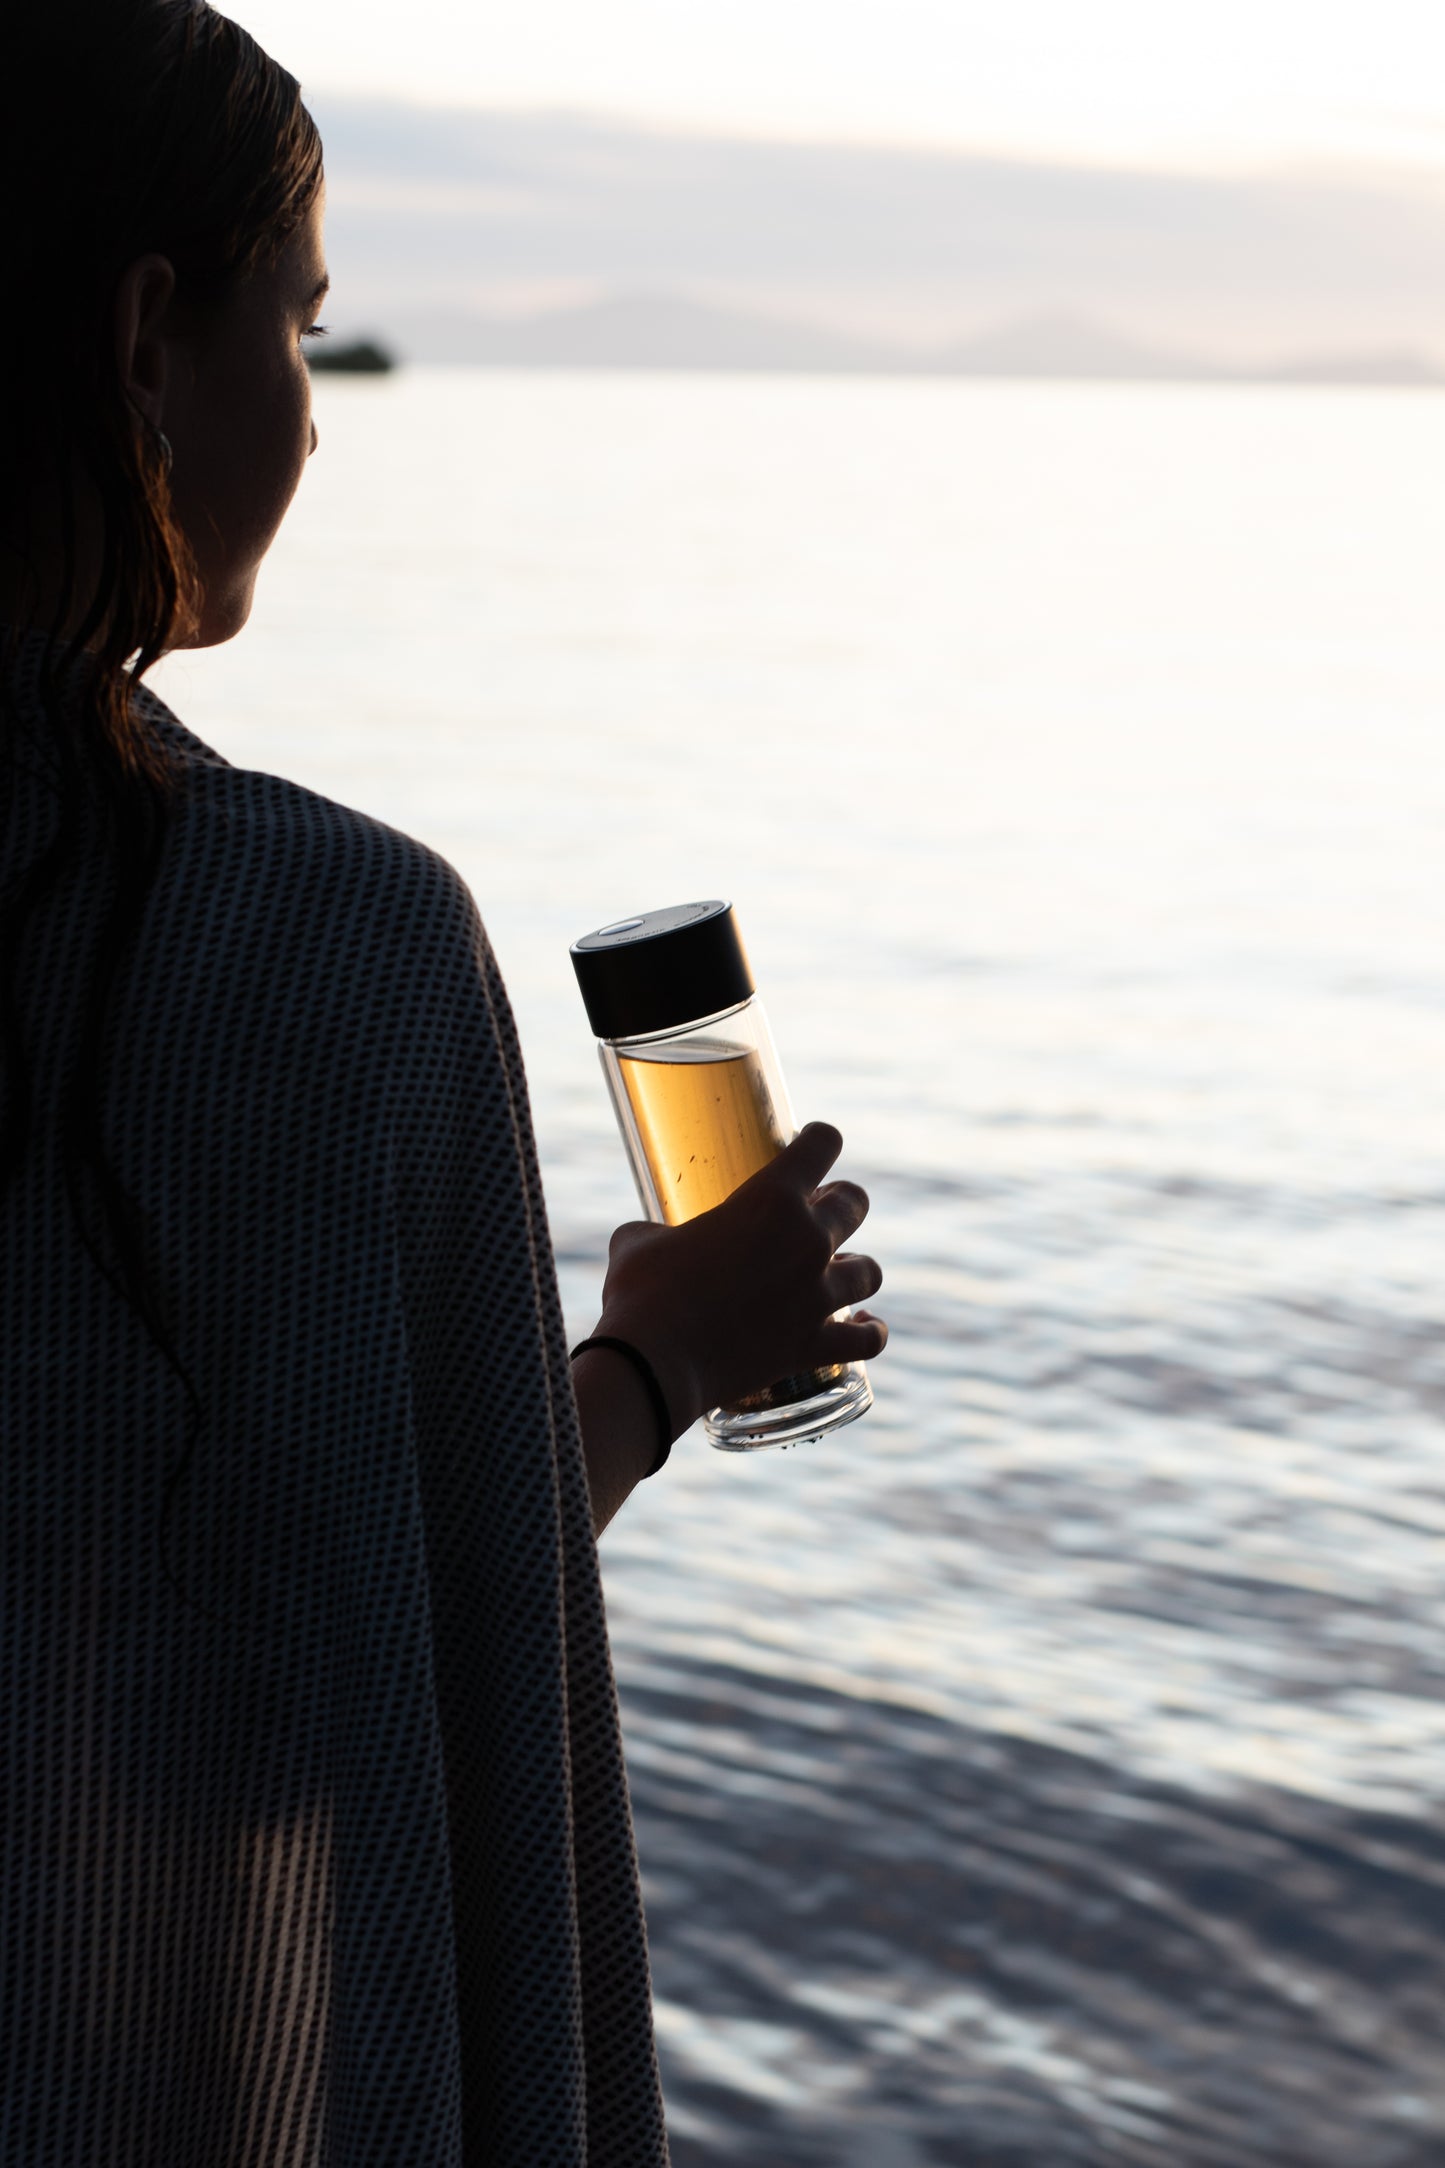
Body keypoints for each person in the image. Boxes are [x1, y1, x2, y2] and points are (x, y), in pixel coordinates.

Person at [0, 3, 886, 2163]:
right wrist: (657, 1365)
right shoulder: (328, 948)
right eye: (300, 330)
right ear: (145, 339)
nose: (315, 422)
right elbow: (343, 1696)